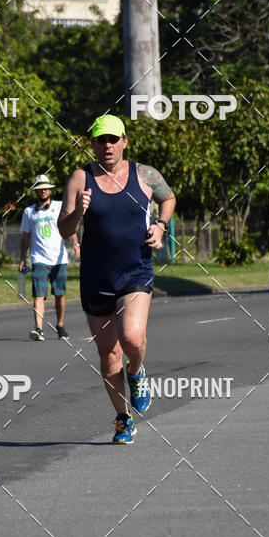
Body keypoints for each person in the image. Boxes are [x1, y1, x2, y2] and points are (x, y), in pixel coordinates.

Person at [58, 114, 176, 444]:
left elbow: (168, 198)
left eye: (112, 139)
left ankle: (136, 370)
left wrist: (161, 226)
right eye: (100, 140)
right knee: (109, 355)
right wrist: (78, 212)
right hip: (96, 277)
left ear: (124, 141)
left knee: (132, 339)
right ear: (92, 144)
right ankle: (123, 419)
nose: (106, 145)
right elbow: (64, 230)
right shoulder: (80, 179)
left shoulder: (145, 175)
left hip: (135, 271)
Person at [19, 173, 80, 341]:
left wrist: (76, 244)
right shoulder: (29, 212)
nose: (43, 191)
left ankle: (60, 325)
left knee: (59, 294)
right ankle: (38, 329)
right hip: (39, 258)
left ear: (49, 190)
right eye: (39, 189)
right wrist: (23, 259)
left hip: (59, 258)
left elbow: (71, 227)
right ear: (36, 192)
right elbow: (25, 236)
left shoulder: (60, 207)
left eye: (45, 188)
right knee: (38, 294)